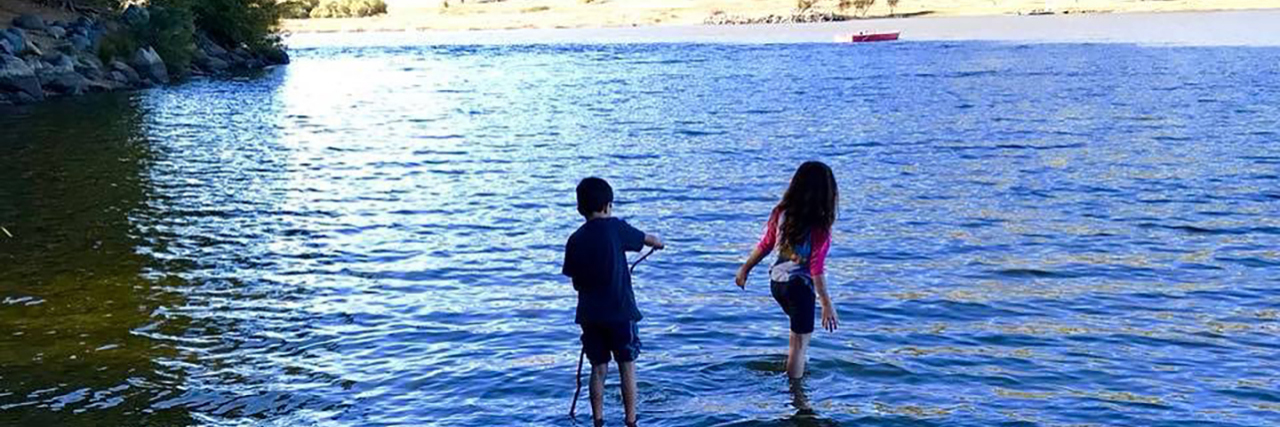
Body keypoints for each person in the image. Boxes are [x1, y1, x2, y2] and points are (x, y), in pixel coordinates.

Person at [563, 177, 664, 427]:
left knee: (598, 369)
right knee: (627, 366)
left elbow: (575, 282)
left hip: (590, 316)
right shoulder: (616, 228)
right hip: (620, 312)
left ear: (580, 208)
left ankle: (598, 420)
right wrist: (658, 243)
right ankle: (630, 420)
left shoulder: (574, 239)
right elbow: (647, 239)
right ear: (608, 205)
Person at [735, 161, 839, 379]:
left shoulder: (781, 213)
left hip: (777, 283)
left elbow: (766, 244)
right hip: (799, 286)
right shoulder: (820, 227)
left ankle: (796, 373)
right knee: (799, 344)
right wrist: (826, 304)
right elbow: (816, 268)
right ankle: (797, 393)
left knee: (798, 339)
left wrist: (745, 269)